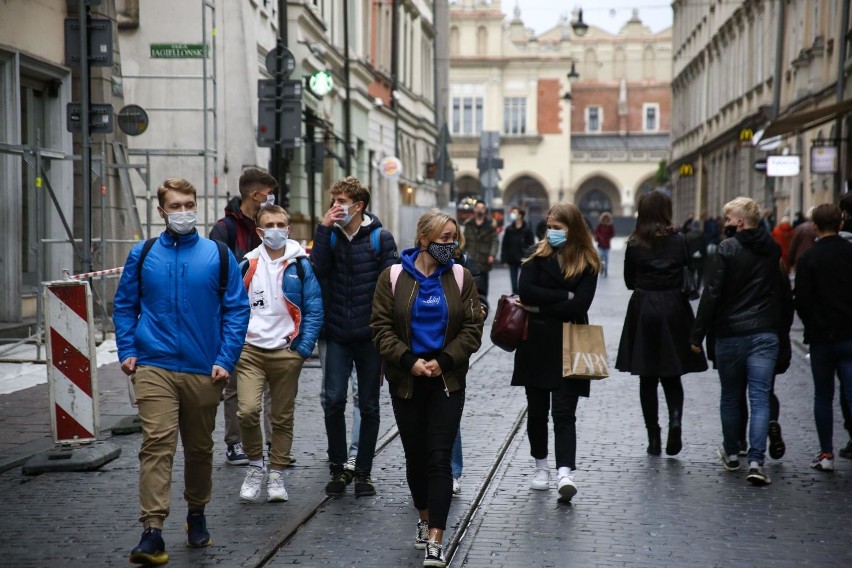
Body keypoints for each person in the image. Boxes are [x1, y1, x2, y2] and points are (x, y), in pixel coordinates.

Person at [114, 178, 250, 565]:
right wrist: (127, 349)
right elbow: (124, 305)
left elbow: (238, 310)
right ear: (161, 212)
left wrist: (225, 358)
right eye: (175, 206)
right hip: (153, 364)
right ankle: (152, 531)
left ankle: (196, 513)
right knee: (156, 443)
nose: (183, 211)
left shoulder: (218, 255)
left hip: (204, 368)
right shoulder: (143, 255)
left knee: (199, 447)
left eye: (189, 204)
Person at [371, 209, 484, 568]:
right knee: (416, 456)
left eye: (454, 239)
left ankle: (436, 535)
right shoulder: (391, 277)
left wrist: (445, 360)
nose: (450, 245)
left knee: (439, 456)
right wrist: (408, 360)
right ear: (423, 240)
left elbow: (472, 328)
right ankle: (423, 517)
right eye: (443, 239)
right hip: (407, 379)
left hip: (447, 380)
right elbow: (380, 328)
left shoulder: (462, 276)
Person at [690, 197, 792, 486]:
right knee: (760, 398)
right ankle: (757, 461)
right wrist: (781, 331)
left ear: (741, 222)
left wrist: (697, 334)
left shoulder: (727, 248)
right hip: (764, 333)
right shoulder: (772, 250)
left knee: (731, 395)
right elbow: (783, 293)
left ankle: (733, 453)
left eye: (728, 218)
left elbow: (712, 294)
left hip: (731, 334)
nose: (724, 223)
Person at [311, 176, 398, 497]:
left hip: (370, 336)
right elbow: (316, 270)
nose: (335, 207)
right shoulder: (330, 236)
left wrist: (384, 330)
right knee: (332, 400)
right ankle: (337, 469)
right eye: (333, 201)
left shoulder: (380, 239)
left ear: (358, 206)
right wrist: (323, 229)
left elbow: (390, 286)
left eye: (341, 202)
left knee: (369, 404)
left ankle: (363, 472)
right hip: (335, 333)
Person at [512, 203, 601, 502]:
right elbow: (525, 292)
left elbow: (581, 305)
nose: (552, 233)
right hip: (535, 344)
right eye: (549, 227)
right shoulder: (536, 255)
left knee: (564, 413)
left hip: (570, 342)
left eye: (558, 228)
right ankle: (541, 466)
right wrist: (563, 296)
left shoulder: (588, 261)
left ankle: (565, 471)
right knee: (536, 412)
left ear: (572, 229)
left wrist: (540, 306)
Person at [235, 205, 323, 503]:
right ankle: (255, 465)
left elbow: (313, 309)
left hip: (287, 352)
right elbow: (232, 307)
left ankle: (276, 474)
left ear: (289, 228)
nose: (276, 229)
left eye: (281, 224)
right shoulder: (247, 264)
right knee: (247, 411)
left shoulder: (301, 265)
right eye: (269, 224)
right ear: (259, 231)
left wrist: (302, 347)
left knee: (282, 417)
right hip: (250, 350)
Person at [616, 191, 708, 456]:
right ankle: (676, 422)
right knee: (672, 373)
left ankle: (653, 436)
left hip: (645, 307)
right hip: (673, 308)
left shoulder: (635, 243)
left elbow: (628, 281)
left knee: (647, 376)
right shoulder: (678, 240)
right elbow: (687, 270)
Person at [209, 167, 276, 465]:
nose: (271, 197)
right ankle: (235, 443)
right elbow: (218, 270)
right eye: (267, 191)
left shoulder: (270, 222)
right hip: (236, 314)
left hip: (271, 312)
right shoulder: (225, 228)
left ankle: (275, 443)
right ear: (254, 194)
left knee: (274, 384)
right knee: (235, 385)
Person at [793, 203, 852, 473]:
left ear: (815, 226)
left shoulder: (809, 258)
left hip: (821, 338)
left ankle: (826, 453)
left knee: (823, 396)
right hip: (849, 334)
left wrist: (812, 322)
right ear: (841, 224)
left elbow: (802, 300)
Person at [450, 246, 490, 496]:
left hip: (452, 353)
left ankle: (452, 472)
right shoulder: (410, 268)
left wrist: (478, 311)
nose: (447, 244)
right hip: (419, 352)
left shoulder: (466, 266)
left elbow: (481, 300)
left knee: (449, 414)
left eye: (451, 238)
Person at [462, 200, 499, 295]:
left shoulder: (490, 225)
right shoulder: (469, 224)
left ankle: (483, 305)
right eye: (478, 208)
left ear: (485, 210)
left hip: (484, 260)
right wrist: (459, 253)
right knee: (470, 284)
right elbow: (464, 240)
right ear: (474, 209)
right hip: (471, 258)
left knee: (483, 285)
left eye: (482, 208)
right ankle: (472, 305)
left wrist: (492, 255)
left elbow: (495, 241)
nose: (480, 210)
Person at [501, 206, 535, 293]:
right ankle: (514, 299)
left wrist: (530, 258)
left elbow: (531, 245)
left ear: (520, 215)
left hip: (524, 259)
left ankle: (522, 297)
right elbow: (505, 244)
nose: (512, 214)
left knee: (523, 282)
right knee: (514, 283)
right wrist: (504, 259)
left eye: (514, 213)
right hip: (512, 258)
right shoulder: (509, 229)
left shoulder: (527, 229)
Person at [787, 207, 817, 272]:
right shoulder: (818, 229)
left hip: (800, 259)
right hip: (815, 260)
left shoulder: (799, 228)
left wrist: (791, 260)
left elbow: (793, 245)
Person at [684, 220, 707, 290]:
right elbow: (704, 246)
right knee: (700, 274)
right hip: (701, 257)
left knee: (691, 273)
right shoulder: (702, 234)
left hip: (691, 258)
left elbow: (686, 248)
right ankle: (698, 287)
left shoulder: (687, 236)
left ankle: (693, 286)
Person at [593, 212, 616, 277]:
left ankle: (606, 268)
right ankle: (602, 267)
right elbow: (596, 232)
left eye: (607, 218)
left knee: (606, 257)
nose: (605, 219)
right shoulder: (600, 225)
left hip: (607, 244)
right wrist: (599, 236)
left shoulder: (610, 225)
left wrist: (608, 237)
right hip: (600, 243)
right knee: (601, 255)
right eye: (604, 218)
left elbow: (612, 233)